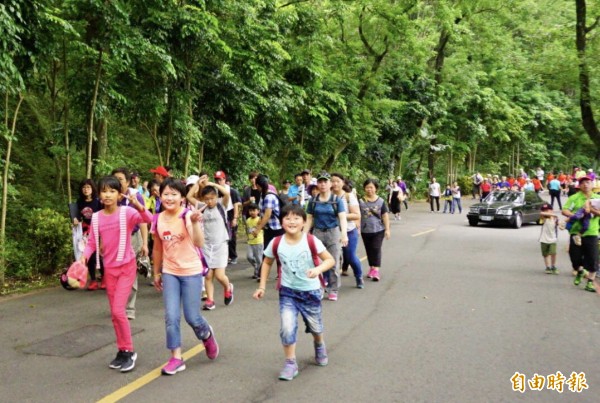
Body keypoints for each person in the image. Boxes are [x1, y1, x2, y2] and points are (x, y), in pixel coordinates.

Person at [252, 204, 335, 381]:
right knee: (287, 327)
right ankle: (290, 363)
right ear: (281, 222)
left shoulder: (311, 241)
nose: (292, 221)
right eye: (287, 218)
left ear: (304, 222)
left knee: (315, 326)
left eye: (296, 218)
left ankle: (319, 344)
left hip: (311, 291)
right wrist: (262, 286)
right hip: (287, 292)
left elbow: (330, 260)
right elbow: (267, 262)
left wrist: (318, 269)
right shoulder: (276, 242)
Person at [81, 176, 152, 373]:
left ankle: (129, 351)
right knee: (115, 313)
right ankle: (122, 350)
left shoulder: (127, 212)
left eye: (112, 191)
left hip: (126, 268)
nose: (108, 195)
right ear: (99, 194)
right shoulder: (96, 217)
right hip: (109, 270)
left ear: (120, 194)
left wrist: (139, 205)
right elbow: (92, 243)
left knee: (119, 311)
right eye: (104, 191)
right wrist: (83, 259)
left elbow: (149, 219)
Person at [151, 178, 219, 375]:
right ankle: (176, 358)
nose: (169, 198)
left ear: (182, 197)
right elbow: (157, 248)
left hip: (191, 271)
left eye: (174, 194)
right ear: (160, 196)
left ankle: (206, 334)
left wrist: (196, 223)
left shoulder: (188, 215)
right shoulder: (158, 218)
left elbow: (199, 243)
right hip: (170, 272)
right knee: (171, 316)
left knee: (192, 317)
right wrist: (156, 272)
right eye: (166, 194)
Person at [305, 172, 348, 301]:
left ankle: (333, 289)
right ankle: (319, 288)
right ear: (317, 184)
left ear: (330, 184)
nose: (323, 184)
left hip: (333, 232)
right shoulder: (313, 201)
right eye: (320, 182)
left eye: (325, 182)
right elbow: (309, 219)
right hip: (317, 232)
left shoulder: (336, 200)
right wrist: (304, 235)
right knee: (317, 262)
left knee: (333, 262)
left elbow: (342, 218)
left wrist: (344, 234)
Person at [113, 167, 149, 320]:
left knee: (130, 274)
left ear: (128, 182)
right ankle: (118, 305)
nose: (117, 182)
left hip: (132, 238)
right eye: (115, 179)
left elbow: (143, 221)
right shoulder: (109, 197)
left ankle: (129, 308)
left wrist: (145, 243)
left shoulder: (135, 197)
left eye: (120, 179)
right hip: (114, 239)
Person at [562, 175, 600, 293]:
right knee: (575, 258)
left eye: (588, 182)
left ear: (592, 184)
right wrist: (575, 216)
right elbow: (565, 210)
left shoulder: (597, 198)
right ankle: (580, 271)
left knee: (593, 258)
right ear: (579, 185)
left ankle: (590, 282)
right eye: (583, 182)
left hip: (592, 232)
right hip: (576, 232)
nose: (585, 184)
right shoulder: (574, 198)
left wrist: (591, 210)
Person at [199, 183, 234, 310]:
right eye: (206, 199)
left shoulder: (221, 205)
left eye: (212, 198)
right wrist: (198, 184)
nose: (209, 201)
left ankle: (228, 287)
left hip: (221, 244)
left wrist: (212, 184)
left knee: (219, 275)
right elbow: (189, 196)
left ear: (216, 197)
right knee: (208, 275)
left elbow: (227, 193)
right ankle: (210, 300)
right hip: (207, 245)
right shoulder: (202, 207)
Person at [332, 173, 363, 288]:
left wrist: (341, 215)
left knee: (350, 257)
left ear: (343, 183)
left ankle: (358, 276)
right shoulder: (328, 196)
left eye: (338, 181)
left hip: (349, 231)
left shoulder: (348, 196)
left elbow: (357, 215)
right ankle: (329, 282)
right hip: (332, 231)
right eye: (333, 181)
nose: (335, 183)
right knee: (331, 258)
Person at [73, 179, 103, 290]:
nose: (86, 190)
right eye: (84, 187)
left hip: (97, 230)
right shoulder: (79, 202)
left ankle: (104, 276)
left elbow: (103, 216)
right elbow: (76, 216)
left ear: (92, 188)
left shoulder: (98, 202)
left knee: (98, 255)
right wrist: (75, 220)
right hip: (85, 232)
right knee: (89, 256)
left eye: (88, 187)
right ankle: (93, 280)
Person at [359, 179, 391, 281]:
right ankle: (372, 267)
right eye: (367, 187)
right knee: (369, 250)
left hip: (378, 229)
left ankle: (376, 270)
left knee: (376, 248)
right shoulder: (360, 201)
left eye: (371, 187)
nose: (369, 189)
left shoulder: (381, 201)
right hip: (365, 230)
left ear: (376, 188)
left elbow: (385, 215)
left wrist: (387, 229)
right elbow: (357, 215)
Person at [250, 174, 284, 252]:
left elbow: (267, 215)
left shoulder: (269, 197)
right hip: (269, 228)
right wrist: (260, 221)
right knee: (267, 252)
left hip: (276, 228)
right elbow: (263, 212)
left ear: (257, 185)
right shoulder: (263, 194)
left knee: (278, 253)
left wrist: (258, 229)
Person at [539, 203, 559, 274]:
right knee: (545, 254)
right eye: (545, 210)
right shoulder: (544, 218)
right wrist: (552, 214)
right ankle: (547, 267)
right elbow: (541, 213)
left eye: (548, 210)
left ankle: (553, 266)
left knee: (553, 253)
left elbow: (559, 225)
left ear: (551, 210)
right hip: (544, 238)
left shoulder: (555, 218)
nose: (546, 211)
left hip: (553, 238)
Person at [245, 204, 264, 280]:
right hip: (250, 242)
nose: (252, 212)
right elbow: (247, 230)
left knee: (259, 259)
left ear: (258, 211)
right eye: (250, 210)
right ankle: (256, 266)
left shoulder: (260, 220)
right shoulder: (248, 220)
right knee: (249, 257)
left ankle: (258, 273)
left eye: (254, 210)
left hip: (258, 242)